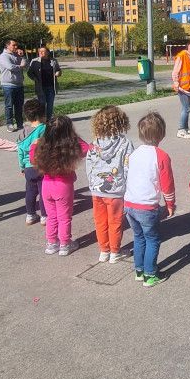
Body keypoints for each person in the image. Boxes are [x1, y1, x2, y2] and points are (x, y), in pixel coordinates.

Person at [124, 111, 176, 287]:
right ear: (162, 134)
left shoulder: (134, 154)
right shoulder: (161, 155)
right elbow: (167, 183)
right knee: (153, 239)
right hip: (147, 207)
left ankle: (139, 270)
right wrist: (170, 204)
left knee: (139, 238)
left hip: (130, 204)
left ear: (140, 134)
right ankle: (150, 275)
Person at [31, 115, 91, 257]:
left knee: (51, 216)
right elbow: (86, 148)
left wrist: (34, 144)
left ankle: (51, 243)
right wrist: (73, 136)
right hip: (63, 186)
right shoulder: (70, 146)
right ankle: (65, 244)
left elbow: (33, 159)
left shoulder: (43, 145)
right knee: (64, 217)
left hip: (46, 185)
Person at [86, 105, 135, 263]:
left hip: (97, 189)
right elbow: (129, 166)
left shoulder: (94, 144)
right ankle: (115, 252)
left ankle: (104, 251)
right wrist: (128, 186)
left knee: (100, 221)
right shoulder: (125, 143)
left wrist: (92, 182)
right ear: (121, 122)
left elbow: (89, 165)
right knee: (115, 221)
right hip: (116, 190)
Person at [17, 99, 47, 226]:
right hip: (41, 165)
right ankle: (45, 216)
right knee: (43, 192)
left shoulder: (23, 132)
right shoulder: (44, 129)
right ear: (43, 115)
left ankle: (30, 215)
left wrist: (21, 166)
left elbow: (20, 151)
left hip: (28, 167)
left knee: (30, 192)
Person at [172, 38, 190, 139]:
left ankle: (186, 128)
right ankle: (181, 129)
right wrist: (176, 82)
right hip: (182, 87)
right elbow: (175, 71)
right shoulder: (182, 56)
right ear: (187, 45)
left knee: (187, 108)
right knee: (186, 109)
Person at [0, 38, 27, 132]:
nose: (16, 47)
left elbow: (26, 65)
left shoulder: (17, 55)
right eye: (13, 45)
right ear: (7, 46)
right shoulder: (4, 56)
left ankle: (20, 123)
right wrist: (20, 66)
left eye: (16, 45)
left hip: (19, 84)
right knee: (9, 105)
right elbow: (10, 67)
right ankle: (9, 124)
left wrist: (23, 56)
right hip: (8, 84)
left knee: (19, 105)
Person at [27, 46, 62, 121]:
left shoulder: (53, 61)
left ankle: (48, 119)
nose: (41, 53)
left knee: (50, 105)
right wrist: (34, 78)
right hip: (41, 87)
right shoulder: (35, 61)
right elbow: (29, 72)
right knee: (42, 104)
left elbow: (59, 70)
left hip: (51, 86)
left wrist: (58, 73)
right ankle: (42, 119)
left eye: (43, 51)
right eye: (40, 51)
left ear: (47, 53)